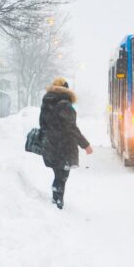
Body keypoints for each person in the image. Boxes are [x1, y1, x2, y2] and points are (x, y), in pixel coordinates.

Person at [39, 77, 92, 209]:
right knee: (62, 175)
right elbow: (72, 128)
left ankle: (56, 199)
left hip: (50, 144)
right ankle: (58, 203)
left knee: (58, 173)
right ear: (66, 89)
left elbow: (42, 125)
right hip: (64, 146)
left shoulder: (46, 103)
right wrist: (85, 145)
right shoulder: (66, 105)